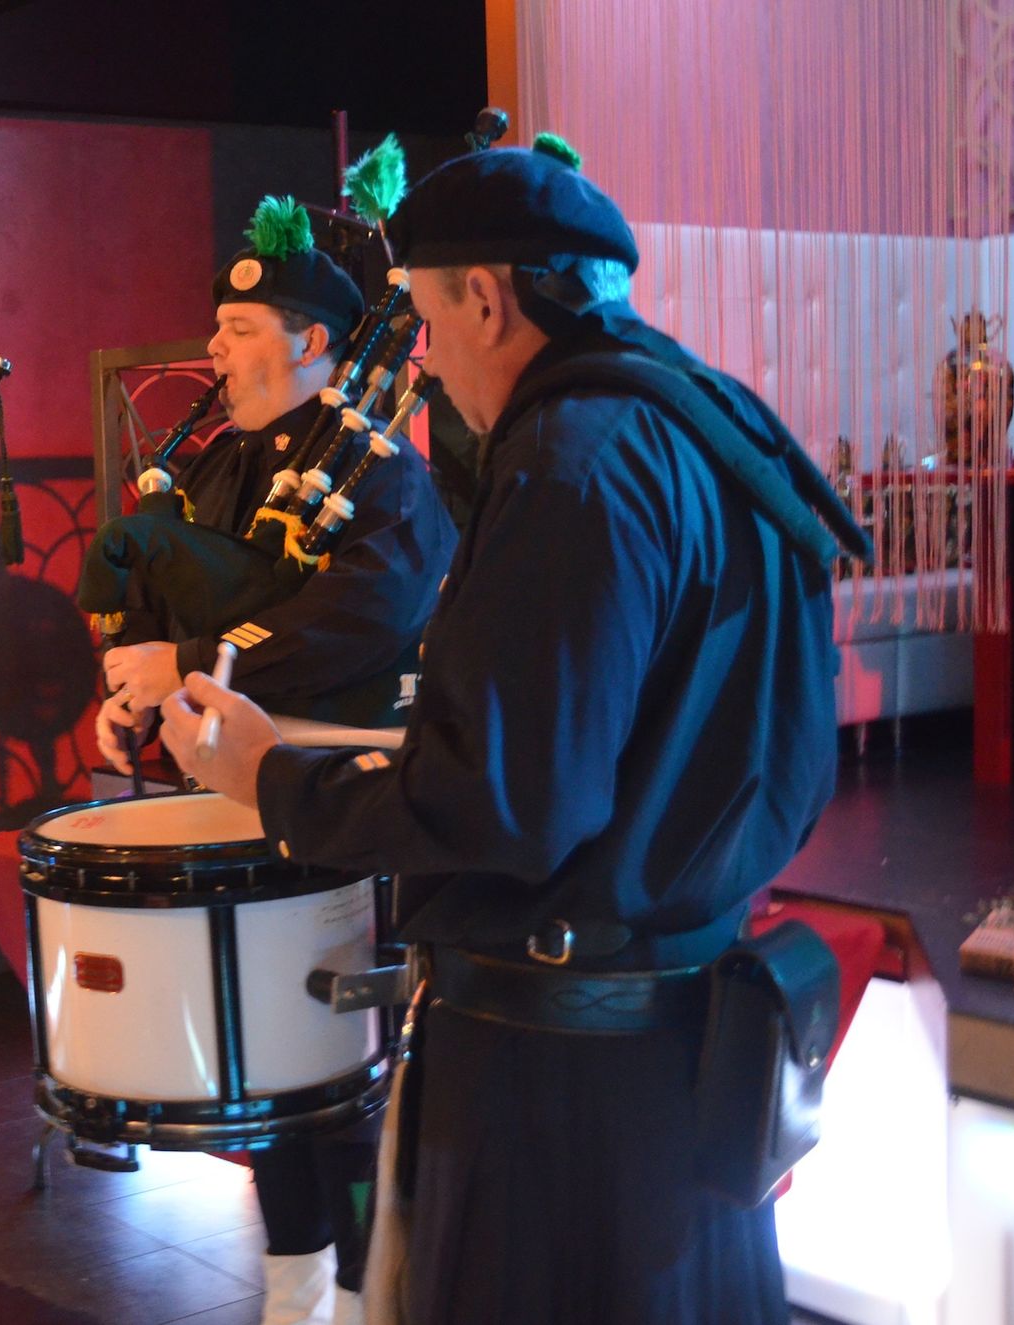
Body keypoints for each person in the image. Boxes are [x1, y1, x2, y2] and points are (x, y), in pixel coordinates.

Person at [162, 137, 844, 1324]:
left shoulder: (570, 459)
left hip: (563, 1091)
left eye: (424, 324)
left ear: (487, 295)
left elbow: (502, 804)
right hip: (681, 1039)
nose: (422, 369)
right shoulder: (711, 420)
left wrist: (267, 774)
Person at [97, 202, 457, 1325]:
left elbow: (352, 619)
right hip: (236, 797)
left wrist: (190, 660)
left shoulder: (383, 474)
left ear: (311, 341)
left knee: (339, 1078)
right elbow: (159, 623)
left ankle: (360, 1297)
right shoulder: (213, 473)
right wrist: (125, 701)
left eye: (240, 324)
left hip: (346, 804)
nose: (212, 348)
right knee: (267, 1082)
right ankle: (293, 1292)